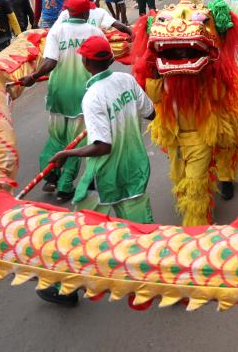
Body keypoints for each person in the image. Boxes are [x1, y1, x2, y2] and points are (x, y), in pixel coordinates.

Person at [34, 35, 155, 307]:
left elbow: (102, 146)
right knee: (142, 231)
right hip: (135, 168)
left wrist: (68, 153)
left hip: (105, 175)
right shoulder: (126, 81)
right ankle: (155, 280)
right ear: (110, 59)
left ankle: (67, 289)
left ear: (86, 62)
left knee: (82, 234)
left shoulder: (92, 97)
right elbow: (152, 114)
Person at [19, 0, 106, 202]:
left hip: (58, 92)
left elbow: (49, 62)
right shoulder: (94, 31)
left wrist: (32, 77)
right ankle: (65, 187)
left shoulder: (57, 30)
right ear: (86, 13)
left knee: (57, 137)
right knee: (75, 142)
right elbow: (103, 60)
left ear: (68, 12)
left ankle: (50, 176)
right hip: (83, 95)